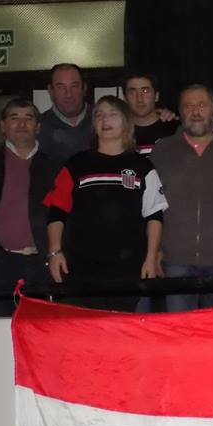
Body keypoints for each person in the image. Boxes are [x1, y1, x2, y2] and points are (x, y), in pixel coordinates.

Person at [43, 95, 167, 311]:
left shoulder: (142, 166)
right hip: (81, 269)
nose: (104, 120)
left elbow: (154, 216)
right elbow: (56, 210)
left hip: (128, 269)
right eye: (99, 115)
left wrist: (150, 258)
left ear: (126, 122)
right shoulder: (76, 164)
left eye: (112, 114)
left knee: (124, 328)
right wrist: (55, 252)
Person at [0, 99, 62, 316]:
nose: (21, 124)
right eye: (14, 118)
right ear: (3, 126)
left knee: (41, 330)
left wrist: (56, 252)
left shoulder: (55, 166)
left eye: (28, 118)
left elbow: (63, 213)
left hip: (41, 265)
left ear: (38, 127)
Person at [151, 84, 213, 310]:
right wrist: (154, 250)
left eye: (201, 105)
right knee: (178, 330)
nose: (195, 111)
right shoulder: (162, 151)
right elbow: (151, 206)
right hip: (175, 260)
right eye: (188, 106)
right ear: (180, 112)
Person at [38, 63, 93, 162]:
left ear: (84, 89)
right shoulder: (38, 127)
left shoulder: (102, 122)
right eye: (61, 87)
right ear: (50, 91)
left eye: (74, 86)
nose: (68, 94)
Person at [124, 73, 179, 155]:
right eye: (132, 92)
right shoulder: (119, 133)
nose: (139, 99)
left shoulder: (176, 130)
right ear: (125, 98)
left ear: (156, 96)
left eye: (145, 91)